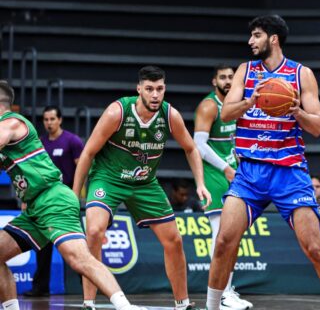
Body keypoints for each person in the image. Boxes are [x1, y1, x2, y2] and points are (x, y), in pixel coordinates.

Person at [205, 15, 320, 310]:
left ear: (273, 39)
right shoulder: (245, 72)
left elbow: (318, 127)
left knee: (313, 247)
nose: (250, 41)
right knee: (223, 241)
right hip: (250, 172)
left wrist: (296, 110)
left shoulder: (301, 74)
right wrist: (250, 102)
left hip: (289, 172)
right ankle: (211, 306)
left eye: (256, 35)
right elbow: (225, 114)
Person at [72, 66, 211, 310]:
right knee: (94, 232)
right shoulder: (117, 112)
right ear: (139, 89)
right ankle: (88, 303)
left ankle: (183, 304)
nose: (155, 94)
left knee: (174, 240)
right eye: (149, 89)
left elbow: (191, 148)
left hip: (145, 182)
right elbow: (88, 152)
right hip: (109, 178)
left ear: (164, 89)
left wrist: (200, 183)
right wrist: (75, 195)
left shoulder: (170, 116)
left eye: (159, 89)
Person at [0, 80, 145, 310]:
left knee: (79, 259)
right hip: (35, 207)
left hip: (54, 199)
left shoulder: (10, 122)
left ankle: (126, 307)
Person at [194, 64, 252, 310]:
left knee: (233, 234)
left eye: (231, 77)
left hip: (231, 171)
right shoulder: (209, 106)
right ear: (213, 81)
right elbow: (199, 145)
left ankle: (228, 290)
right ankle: (223, 294)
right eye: (223, 77)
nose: (228, 81)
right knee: (221, 233)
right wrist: (226, 168)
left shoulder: (234, 105)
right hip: (214, 175)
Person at [24, 106, 85, 297]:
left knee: (74, 248)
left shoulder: (72, 141)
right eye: (45, 119)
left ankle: (87, 287)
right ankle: (40, 287)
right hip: (43, 202)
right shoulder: (40, 143)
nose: (48, 123)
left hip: (65, 201)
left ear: (60, 120)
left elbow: (83, 168)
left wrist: (78, 194)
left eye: (52, 119)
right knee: (42, 246)